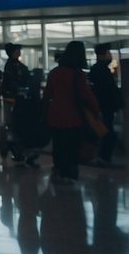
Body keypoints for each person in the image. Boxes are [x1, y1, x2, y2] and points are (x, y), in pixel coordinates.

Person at [43, 40, 100, 186]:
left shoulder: (54, 72)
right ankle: (70, 175)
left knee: (59, 146)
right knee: (72, 148)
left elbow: (47, 94)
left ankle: (59, 172)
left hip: (54, 117)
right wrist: (96, 110)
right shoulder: (77, 74)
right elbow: (86, 95)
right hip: (73, 118)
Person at [88, 43, 121, 167]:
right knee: (108, 132)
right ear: (103, 54)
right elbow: (108, 90)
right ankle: (104, 157)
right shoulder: (102, 70)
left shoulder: (97, 69)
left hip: (102, 106)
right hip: (106, 106)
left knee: (107, 130)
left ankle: (103, 157)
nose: (110, 55)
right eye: (108, 53)